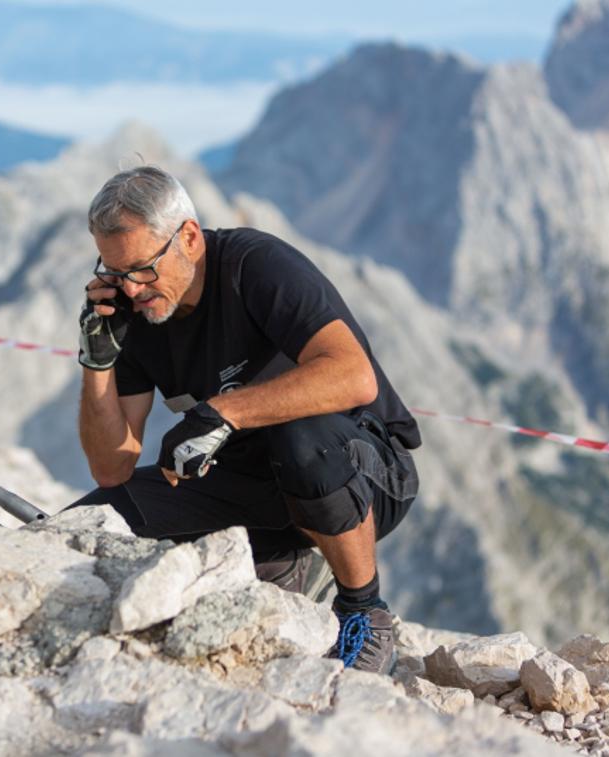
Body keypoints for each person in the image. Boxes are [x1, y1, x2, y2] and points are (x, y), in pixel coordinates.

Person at [72, 166, 420, 674]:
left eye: (142, 269)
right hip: (247, 485)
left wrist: (221, 412)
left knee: (303, 439)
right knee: (98, 518)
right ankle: (283, 563)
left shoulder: (255, 266)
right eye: (115, 274)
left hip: (362, 474)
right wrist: (97, 363)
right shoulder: (136, 313)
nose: (130, 290)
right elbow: (111, 467)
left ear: (188, 238)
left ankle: (364, 612)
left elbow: (354, 376)